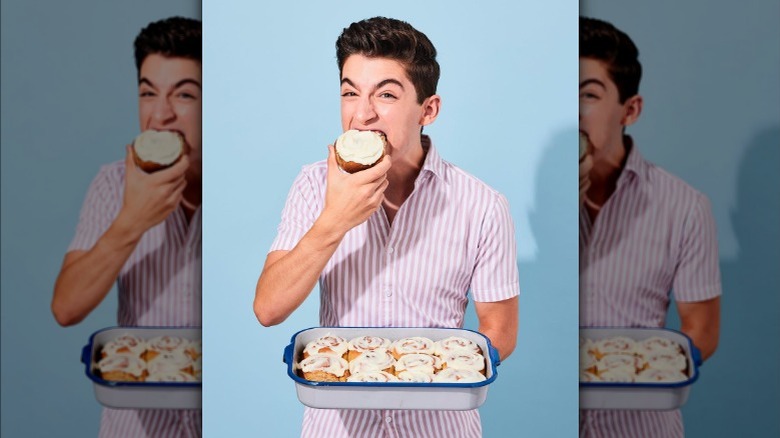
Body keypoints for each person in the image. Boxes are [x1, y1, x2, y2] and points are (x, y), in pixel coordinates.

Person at [254, 16, 520, 437]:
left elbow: (501, 329)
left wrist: (433, 373)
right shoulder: (312, 185)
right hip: (337, 426)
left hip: (441, 427)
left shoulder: (482, 204)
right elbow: (268, 309)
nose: (362, 115)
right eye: (349, 93)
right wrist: (335, 219)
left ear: (428, 110)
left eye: (386, 95)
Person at [51, 16, 202, 437]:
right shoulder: (113, 183)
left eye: (184, 95)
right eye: (147, 93)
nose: (160, 116)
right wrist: (132, 220)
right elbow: (66, 308)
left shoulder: (240, 189)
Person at [579, 17, 721, 437]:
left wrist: (634, 375)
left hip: (641, 425)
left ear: (631, 110)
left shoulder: (685, 206)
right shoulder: (520, 201)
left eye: (588, 94)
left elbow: (702, 329)